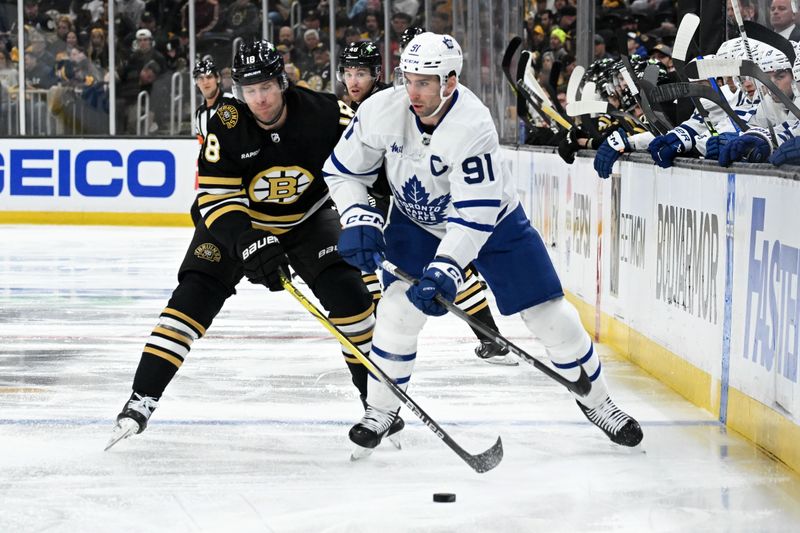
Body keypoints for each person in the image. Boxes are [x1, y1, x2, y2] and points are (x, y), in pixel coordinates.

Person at [322, 32, 643, 457]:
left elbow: (473, 214)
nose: (412, 92)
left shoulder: (472, 124)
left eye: (424, 82)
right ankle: (381, 410)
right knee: (397, 309)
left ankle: (599, 402)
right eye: (408, 78)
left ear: (449, 82)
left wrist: (446, 269)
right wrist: (358, 216)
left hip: (494, 221)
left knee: (550, 315)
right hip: (416, 221)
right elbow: (343, 171)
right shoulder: (383, 110)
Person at [108, 39, 403, 449]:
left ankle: (379, 404)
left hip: (308, 219)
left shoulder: (326, 113)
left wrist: (383, 208)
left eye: (266, 86)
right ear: (238, 91)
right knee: (192, 298)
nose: (259, 99)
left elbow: (372, 168)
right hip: (238, 222)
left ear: (282, 81)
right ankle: (142, 398)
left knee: (351, 298)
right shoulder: (225, 123)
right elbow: (214, 199)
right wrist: (247, 240)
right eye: (249, 90)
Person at [337, 39, 514, 365]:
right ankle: (488, 337)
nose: (353, 81)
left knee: (415, 267)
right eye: (348, 73)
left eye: (360, 73)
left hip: (405, 205)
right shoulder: (369, 105)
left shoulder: (389, 104)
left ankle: (485, 336)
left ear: (376, 74)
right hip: (392, 201)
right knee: (379, 266)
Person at [192, 57, 234, 143]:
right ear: (196, 82)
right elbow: (203, 146)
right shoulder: (198, 114)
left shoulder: (232, 102)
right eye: (201, 78)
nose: (205, 82)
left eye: (209, 77)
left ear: (218, 78)